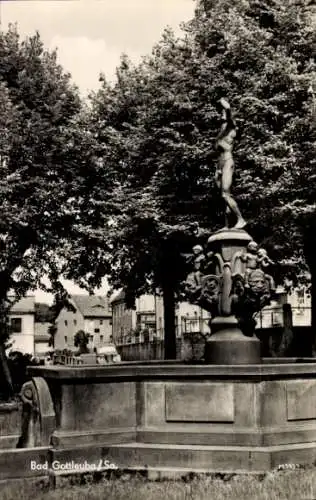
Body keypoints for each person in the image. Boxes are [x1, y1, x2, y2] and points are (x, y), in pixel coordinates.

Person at [215, 98, 246, 229]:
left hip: (228, 161)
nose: (221, 114)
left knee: (225, 194)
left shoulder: (231, 128)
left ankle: (241, 219)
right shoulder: (221, 132)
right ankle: (227, 225)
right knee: (223, 197)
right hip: (220, 166)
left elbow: (228, 111)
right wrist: (217, 170)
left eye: (222, 112)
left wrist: (224, 103)